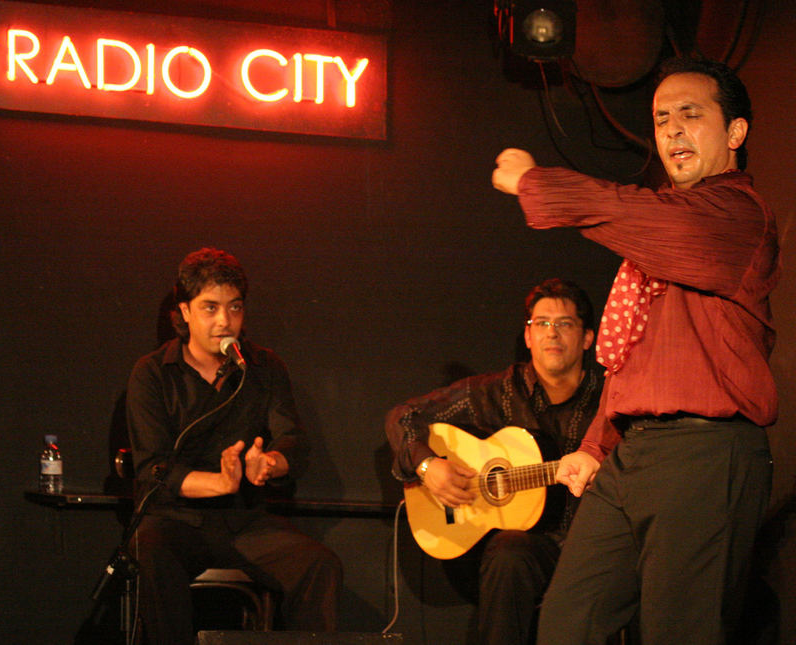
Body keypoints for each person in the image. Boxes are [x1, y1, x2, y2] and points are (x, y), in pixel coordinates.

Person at [492, 57, 778, 645]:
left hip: (704, 453)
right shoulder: (660, 242)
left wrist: (533, 181)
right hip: (632, 458)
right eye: (661, 118)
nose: (671, 130)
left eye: (690, 115)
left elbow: (631, 211)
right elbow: (631, 363)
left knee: (680, 630)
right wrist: (596, 445)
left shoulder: (735, 214)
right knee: (567, 624)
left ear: (735, 133)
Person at [126, 247, 342, 644]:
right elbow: (153, 469)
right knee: (150, 552)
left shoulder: (265, 367)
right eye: (210, 308)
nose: (225, 321)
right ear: (185, 311)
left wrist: (271, 463)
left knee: (319, 565)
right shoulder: (153, 373)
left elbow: (292, 440)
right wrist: (218, 482)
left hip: (244, 521)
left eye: (235, 308)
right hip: (176, 521)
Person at [386, 278, 604, 644]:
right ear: (528, 335)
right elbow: (403, 415)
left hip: (591, 546)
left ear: (587, 338)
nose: (552, 334)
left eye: (565, 324)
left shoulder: (610, 400)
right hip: (513, 553)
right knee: (510, 552)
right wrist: (428, 466)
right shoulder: (498, 391)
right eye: (542, 323)